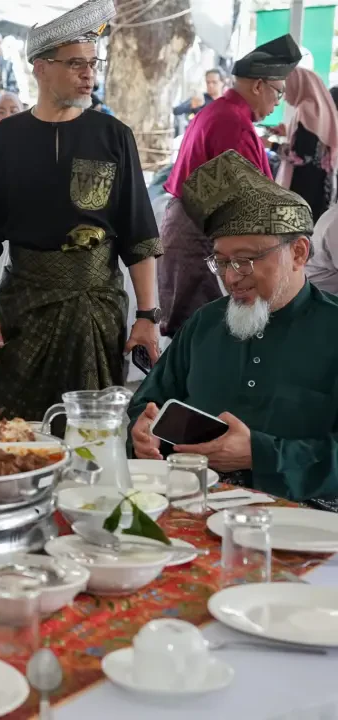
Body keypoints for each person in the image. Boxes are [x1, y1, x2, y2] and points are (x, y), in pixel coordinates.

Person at [0, 0, 161, 422]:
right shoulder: (4, 140)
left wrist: (147, 315)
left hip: (96, 308)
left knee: (92, 427)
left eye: (92, 63)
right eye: (75, 64)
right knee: (13, 425)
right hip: (23, 306)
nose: (88, 73)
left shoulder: (114, 136)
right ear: (40, 67)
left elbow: (139, 236)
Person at [130, 151, 338, 510]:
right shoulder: (205, 324)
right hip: (191, 506)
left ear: (299, 253)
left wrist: (260, 454)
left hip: (303, 523)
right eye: (222, 262)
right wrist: (141, 432)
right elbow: (147, 403)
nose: (230, 278)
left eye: (245, 261)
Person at [158, 35, 301, 338]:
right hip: (201, 235)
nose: (276, 105)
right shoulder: (232, 122)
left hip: (194, 229)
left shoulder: (225, 112)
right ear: (258, 85)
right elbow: (246, 204)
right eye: (277, 93)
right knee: (205, 335)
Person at [275, 67, 338, 223]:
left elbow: (303, 156)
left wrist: (272, 147)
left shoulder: (305, 109)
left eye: (286, 88)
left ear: (298, 85)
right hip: (320, 185)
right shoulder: (319, 109)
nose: (284, 95)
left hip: (303, 186)